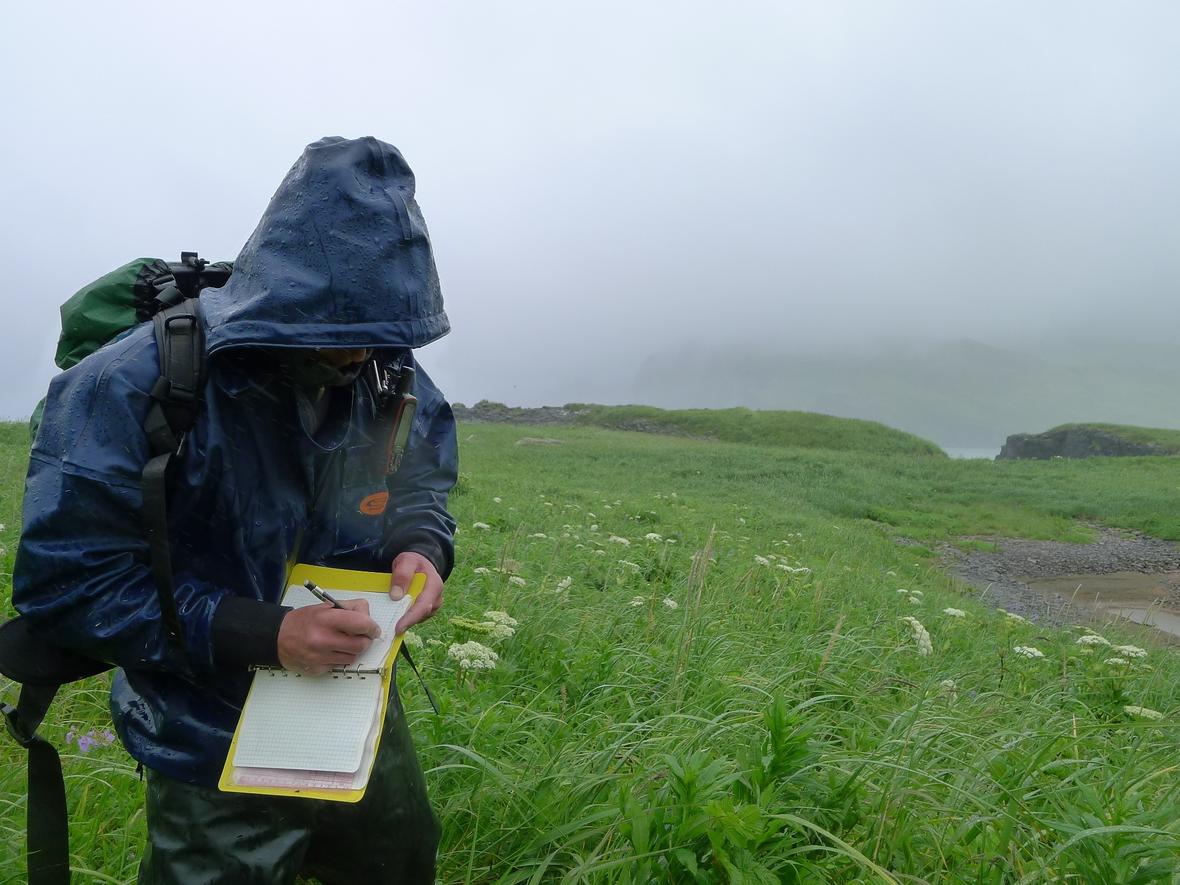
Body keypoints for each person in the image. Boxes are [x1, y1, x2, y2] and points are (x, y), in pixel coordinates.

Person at [13, 136, 457, 883]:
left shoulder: (387, 363)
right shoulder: (130, 385)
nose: (359, 357)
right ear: (287, 289)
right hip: (205, 734)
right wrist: (266, 632)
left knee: (402, 860)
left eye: (381, 335)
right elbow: (67, 584)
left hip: (352, 704)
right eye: (338, 338)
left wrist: (421, 544)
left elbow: (419, 478)